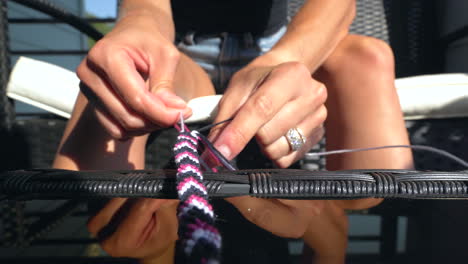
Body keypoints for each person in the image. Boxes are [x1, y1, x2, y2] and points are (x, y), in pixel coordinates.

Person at [53, 0, 414, 263]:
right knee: (93, 169)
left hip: (282, 46)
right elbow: (146, 7)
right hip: (179, 52)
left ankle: (334, 213)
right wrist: (138, 31)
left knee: (367, 62)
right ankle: (328, 213)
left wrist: (279, 61)